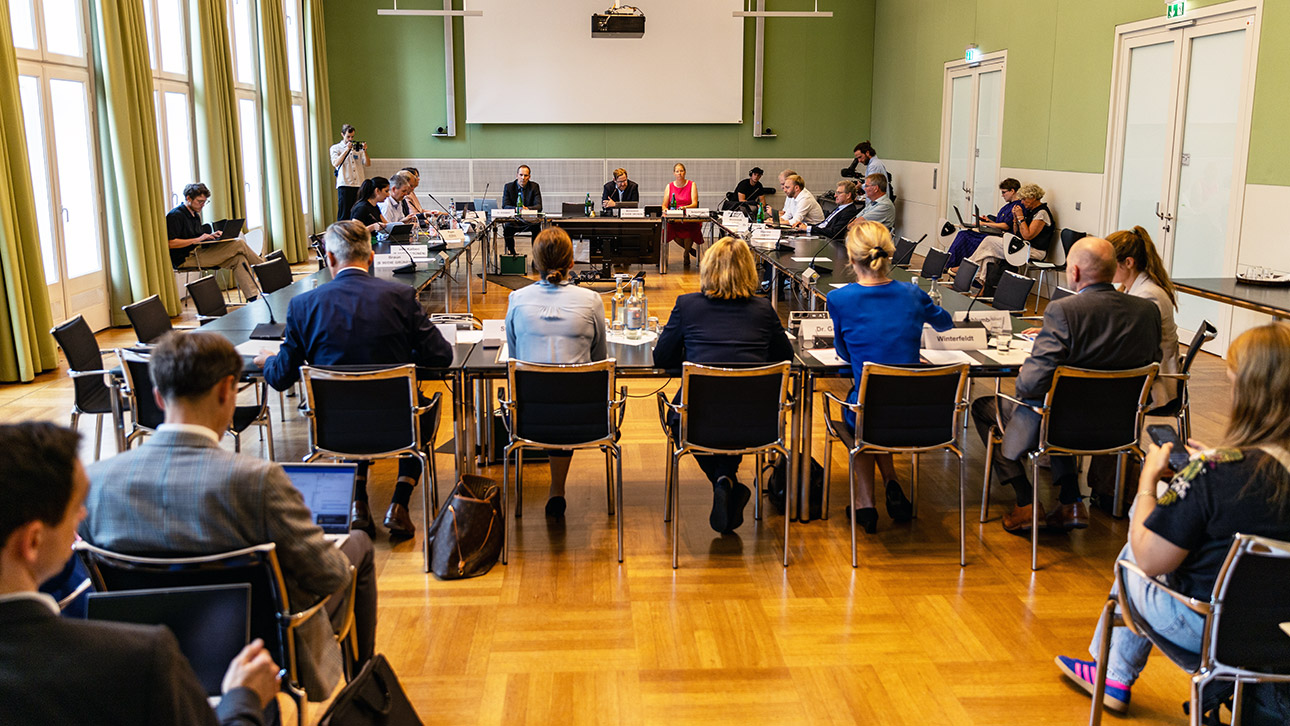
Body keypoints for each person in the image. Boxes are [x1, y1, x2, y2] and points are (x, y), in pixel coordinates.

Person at [83, 331, 379, 701]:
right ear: (228, 390)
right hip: (256, 653)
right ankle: (364, 691)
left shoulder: (94, 482)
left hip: (140, 654)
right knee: (359, 546)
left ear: (157, 397)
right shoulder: (257, 480)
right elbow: (330, 576)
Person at [1055, 323, 1290, 716]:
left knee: (1136, 548)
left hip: (1213, 631)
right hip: (1281, 633)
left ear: (1248, 394)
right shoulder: (1221, 469)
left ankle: (1111, 675)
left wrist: (1148, 481)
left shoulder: (1214, 475)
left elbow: (1150, 561)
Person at [0, 422, 279, 725]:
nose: (83, 516)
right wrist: (243, 698)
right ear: (33, 541)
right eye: (75, 507)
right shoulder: (137, 660)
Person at [257, 221, 454, 538]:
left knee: (352, 405)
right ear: (372, 256)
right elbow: (441, 356)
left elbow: (281, 377)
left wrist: (268, 361)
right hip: (399, 425)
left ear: (329, 259)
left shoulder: (303, 306)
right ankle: (399, 503)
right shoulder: (401, 296)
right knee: (418, 405)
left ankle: (358, 503)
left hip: (333, 429)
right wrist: (406, 353)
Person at [970, 238, 1162, 533]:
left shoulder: (1063, 311)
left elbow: (1030, 384)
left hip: (1061, 426)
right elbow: (1153, 363)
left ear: (1073, 272)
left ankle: (1026, 502)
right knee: (1063, 404)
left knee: (986, 407)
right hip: (1121, 429)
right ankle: (1071, 501)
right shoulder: (1147, 312)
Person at [653, 237, 794, 533]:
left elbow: (661, 355)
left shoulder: (687, 305)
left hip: (697, 419)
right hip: (758, 423)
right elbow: (785, 358)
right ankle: (726, 478)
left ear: (707, 269)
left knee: (687, 420)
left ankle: (721, 479)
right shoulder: (763, 309)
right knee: (734, 414)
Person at [826, 221, 954, 532]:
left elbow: (843, 353)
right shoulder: (912, 293)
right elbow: (946, 324)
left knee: (861, 406)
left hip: (871, 410)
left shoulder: (840, 299)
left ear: (851, 258)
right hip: (920, 411)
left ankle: (865, 504)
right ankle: (892, 482)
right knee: (877, 405)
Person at [504, 227, 609, 518]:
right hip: (584, 416)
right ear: (572, 263)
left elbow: (514, 357)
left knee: (553, 393)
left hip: (528, 417)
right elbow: (598, 359)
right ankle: (557, 488)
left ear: (535, 263)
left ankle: (556, 489)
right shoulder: (591, 301)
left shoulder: (517, 299)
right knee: (566, 391)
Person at [1110, 226, 1180, 407]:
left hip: (1154, 385)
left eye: (1110, 262)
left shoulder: (1148, 295)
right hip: (1145, 373)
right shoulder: (1133, 288)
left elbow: (1132, 345)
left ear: (1128, 262)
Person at [166, 182, 266, 300]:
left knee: (239, 259)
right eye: (200, 201)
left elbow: (197, 237)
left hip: (199, 252)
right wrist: (197, 239)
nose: (202, 205)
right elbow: (170, 243)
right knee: (238, 243)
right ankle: (265, 269)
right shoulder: (175, 216)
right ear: (188, 198)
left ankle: (253, 299)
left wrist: (209, 236)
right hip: (186, 258)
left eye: (204, 202)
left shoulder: (195, 215)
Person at [964, 182, 1054, 284]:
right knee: (990, 254)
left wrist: (1020, 217)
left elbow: (1027, 236)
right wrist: (1015, 220)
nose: (1022, 203)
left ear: (1033, 198)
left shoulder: (1042, 213)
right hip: (1021, 246)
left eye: (1024, 199)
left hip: (1034, 251)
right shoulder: (1030, 211)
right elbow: (1017, 232)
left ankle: (968, 268)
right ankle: (984, 286)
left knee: (989, 241)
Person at [946, 178, 1022, 268]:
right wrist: (988, 220)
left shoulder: (1017, 207)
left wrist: (984, 224)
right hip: (997, 232)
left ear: (1012, 191)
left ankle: (952, 265)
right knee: (963, 234)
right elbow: (1000, 223)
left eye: (1004, 192)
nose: (1002, 195)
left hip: (1003, 237)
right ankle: (951, 263)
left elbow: (1005, 226)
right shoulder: (1007, 206)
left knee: (964, 236)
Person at [664, 163, 703, 265]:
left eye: (681, 171)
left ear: (685, 172)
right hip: (674, 216)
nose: (679, 173)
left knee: (690, 228)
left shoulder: (692, 184)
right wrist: (666, 211)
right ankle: (689, 250)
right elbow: (664, 205)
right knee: (670, 229)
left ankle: (686, 253)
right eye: (677, 171)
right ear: (674, 173)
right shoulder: (669, 186)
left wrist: (684, 207)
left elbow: (694, 203)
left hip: (688, 214)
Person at [330, 124, 369, 221]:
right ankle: (343, 234)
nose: (350, 139)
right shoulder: (336, 148)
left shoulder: (357, 148)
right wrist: (347, 149)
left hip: (358, 184)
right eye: (348, 136)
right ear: (342, 135)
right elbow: (335, 163)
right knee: (344, 212)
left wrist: (364, 151)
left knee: (357, 212)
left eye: (352, 137)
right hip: (345, 184)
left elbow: (367, 163)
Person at [502, 165, 543, 256]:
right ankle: (512, 254)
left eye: (526, 175)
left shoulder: (534, 186)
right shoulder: (508, 187)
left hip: (529, 221)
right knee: (507, 228)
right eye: (521, 175)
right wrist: (516, 209)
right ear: (517, 175)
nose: (523, 178)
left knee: (537, 227)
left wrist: (527, 209)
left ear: (529, 177)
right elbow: (505, 205)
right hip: (514, 221)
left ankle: (536, 256)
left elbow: (539, 206)